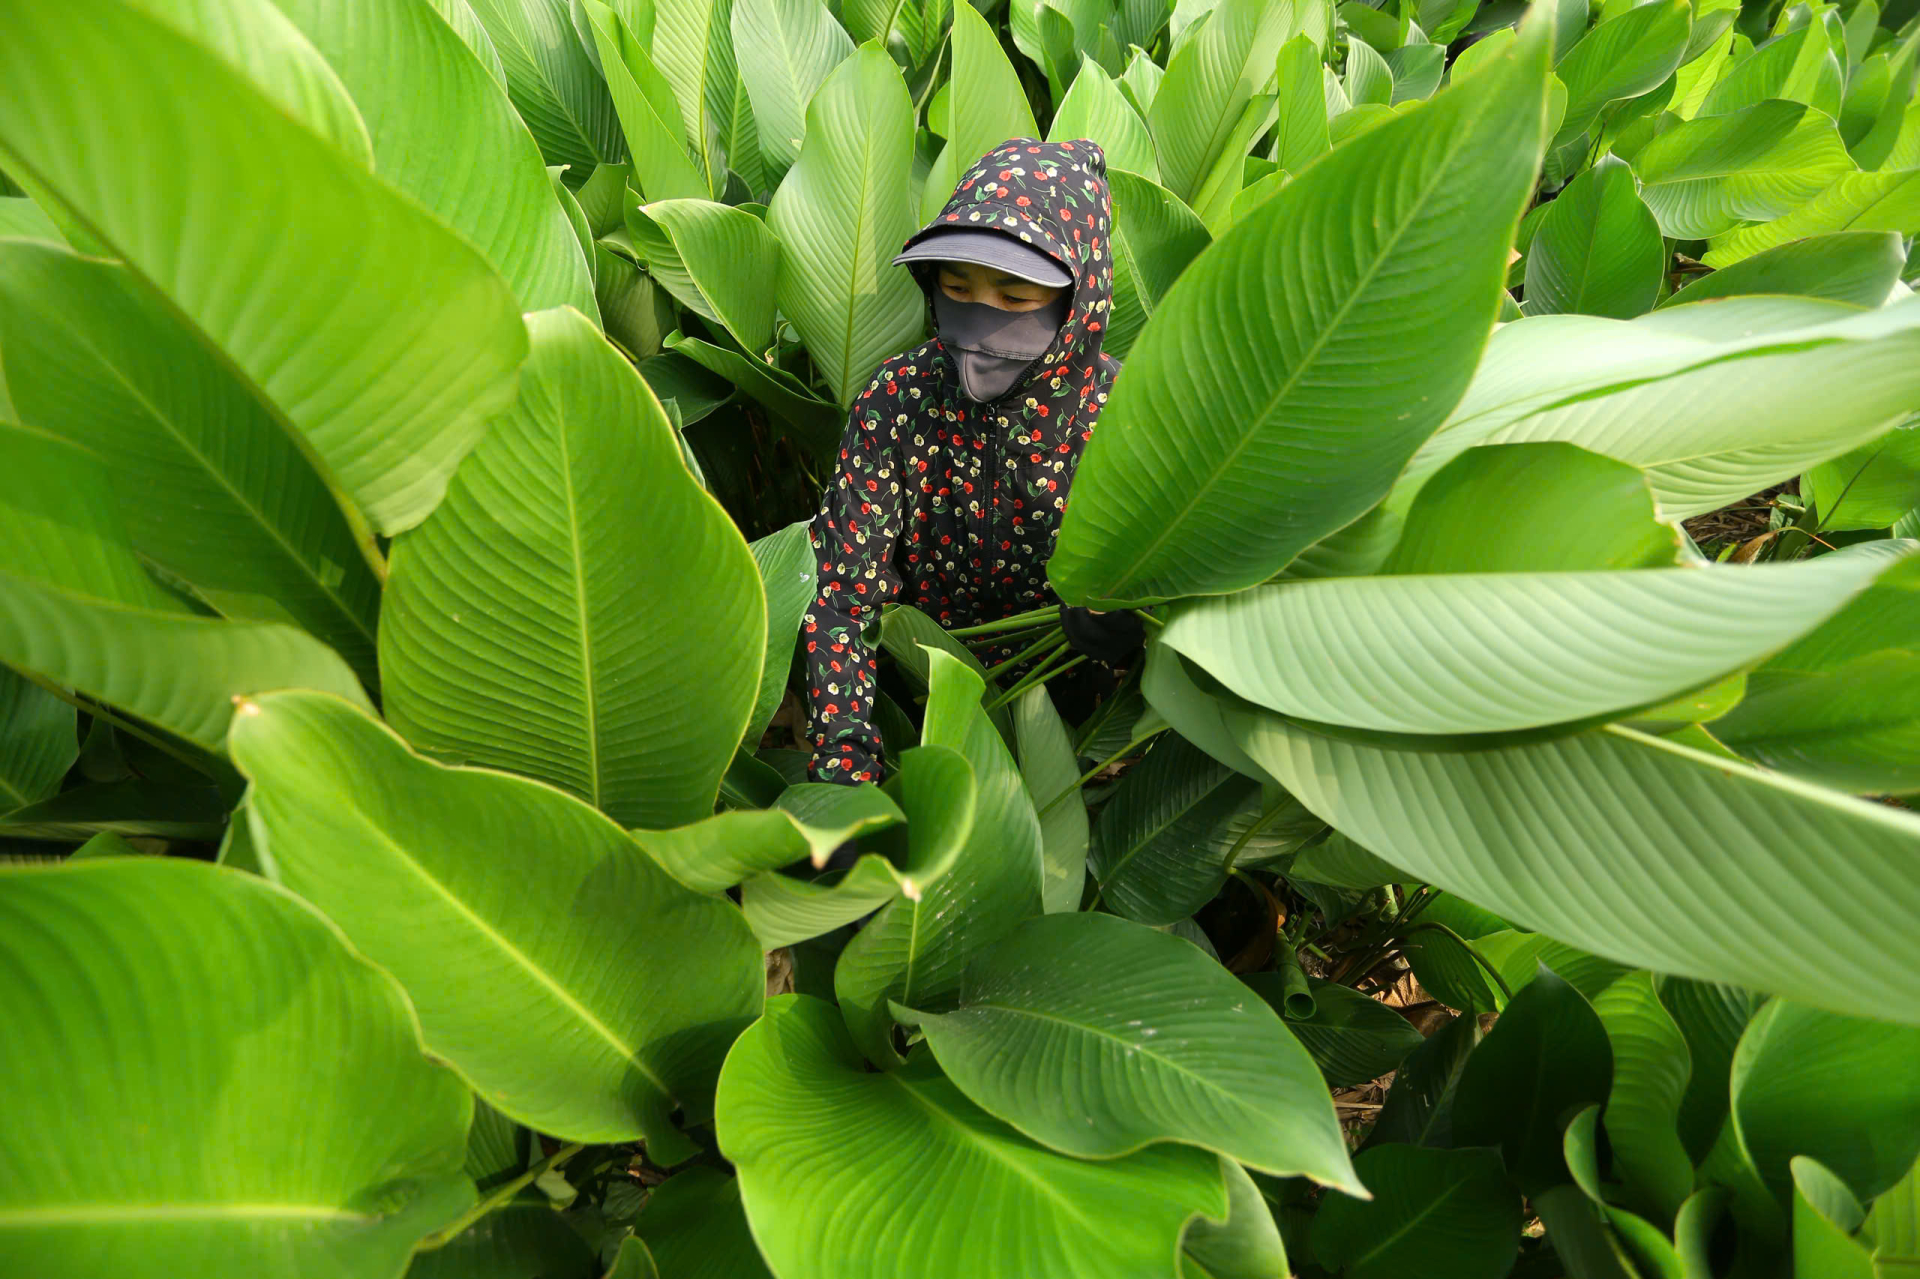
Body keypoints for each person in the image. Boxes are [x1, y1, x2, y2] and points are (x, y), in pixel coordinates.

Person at [803, 137, 1143, 786]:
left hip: (1089, 754)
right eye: (958, 288)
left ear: (1078, 303)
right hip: (920, 731)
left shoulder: (1125, 416)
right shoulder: (897, 401)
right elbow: (843, 597)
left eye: (1015, 301)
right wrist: (846, 770)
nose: (981, 322)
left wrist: (1129, 622)